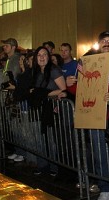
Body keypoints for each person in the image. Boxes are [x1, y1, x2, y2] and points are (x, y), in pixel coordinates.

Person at [80, 31, 109, 200]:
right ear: (99, 45)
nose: (106, 43)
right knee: (100, 155)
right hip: (94, 116)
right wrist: (70, 86)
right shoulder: (89, 63)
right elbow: (81, 89)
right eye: (103, 41)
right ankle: (105, 187)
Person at [30, 46, 67, 176]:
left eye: (44, 54)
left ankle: (54, 167)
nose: (41, 57)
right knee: (40, 138)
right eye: (39, 55)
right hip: (39, 109)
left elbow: (64, 89)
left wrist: (45, 94)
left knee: (51, 140)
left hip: (51, 109)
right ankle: (42, 165)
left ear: (48, 56)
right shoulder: (36, 71)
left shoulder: (53, 70)